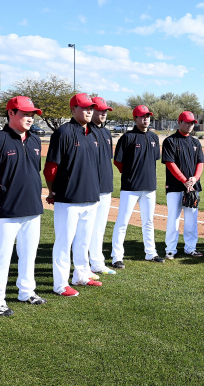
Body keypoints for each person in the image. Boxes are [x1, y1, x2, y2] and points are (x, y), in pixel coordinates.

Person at [0, 96, 48, 316]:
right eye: (24, 113)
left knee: (29, 253)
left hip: (33, 207)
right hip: (6, 209)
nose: (29, 117)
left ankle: (27, 291)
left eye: (32, 114)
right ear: (11, 114)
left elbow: (34, 172)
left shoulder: (35, 140)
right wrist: (3, 190)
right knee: (1, 255)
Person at [44, 93, 102, 297]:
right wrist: (51, 191)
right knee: (64, 242)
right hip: (68, 198)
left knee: (84, 241)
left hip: (91, 196)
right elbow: (51, 167)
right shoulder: (63, 132)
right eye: (84, 107)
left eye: (90, 108)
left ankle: (81, 275)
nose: (89, 111)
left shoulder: (93, 133)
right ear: (73, 109)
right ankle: (60, 284)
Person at [111, 105, 163, 265]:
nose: (146, 119)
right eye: (142, 116)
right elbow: (118, 161)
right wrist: (130, 175)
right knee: (122, 222)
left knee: (148, 222)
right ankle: (117, 257)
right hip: (130, 187)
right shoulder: (127, 137)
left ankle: (151, 253)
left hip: (149, 187)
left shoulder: (154, 138)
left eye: (148, 116)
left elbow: (154, 159)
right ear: (135, 118)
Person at [162, 111, 204, 258]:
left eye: (192, 122)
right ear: (179, 122)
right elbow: (170, 163)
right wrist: (184, 180)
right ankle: (170, 249)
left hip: (192, 187)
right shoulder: (170, 141)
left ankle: (190, 248)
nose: (190, 125)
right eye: (187, 122)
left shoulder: (195, 142)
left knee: (191, 220)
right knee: (173, 218)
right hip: (175, 187)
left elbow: (200, 162)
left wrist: (194, 179)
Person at [87, 96, 117, 275]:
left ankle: (97, 262)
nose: (103, 113)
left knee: (99, 227)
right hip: (89, 187)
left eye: (105, 110)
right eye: (100, 110)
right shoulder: (84, 131)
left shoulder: (106, 133)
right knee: (85, 229)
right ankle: (82, 265)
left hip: (105, 185)